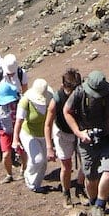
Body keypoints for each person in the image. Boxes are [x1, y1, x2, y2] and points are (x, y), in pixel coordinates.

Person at [63, 70, 109, 216]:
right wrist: (79, 133)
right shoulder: (79, 93)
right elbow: (67, 111)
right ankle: (93, 203)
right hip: (88, 141)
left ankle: (100, 206)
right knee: (91, 178)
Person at [44, 68, 85, 207]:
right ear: (64, 86)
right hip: (63, 133)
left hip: (80, 131)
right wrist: (49, 147)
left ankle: (80, 188)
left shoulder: (82, 94)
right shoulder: (57, 99)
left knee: (86, 163)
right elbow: (48, 124)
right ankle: (66, 193)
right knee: (66, 166)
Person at [0, 53, 29, 164]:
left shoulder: (21, 74)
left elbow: (25, 91)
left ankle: (19, 157)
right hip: (0, 105)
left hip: (16, 105)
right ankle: (0, 152)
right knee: (0, 129)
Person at [14, 78, 52, 193]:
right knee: (37, 159)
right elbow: (19, 121)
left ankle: (36, 185)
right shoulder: (26, 101)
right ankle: (29, 178)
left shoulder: (50, 100)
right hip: (28, 133)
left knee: (44, 162)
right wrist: (15, 139)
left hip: (43, 134)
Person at [0, 82, 21, 184]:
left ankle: (23, 171)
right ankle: (9, 174)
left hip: (19, 130)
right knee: (6, 154)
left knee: (23, 152)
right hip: (4, 131)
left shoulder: (19, 101)